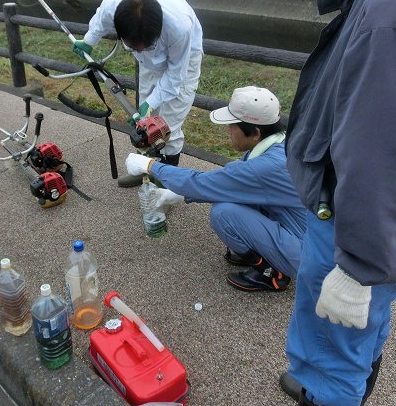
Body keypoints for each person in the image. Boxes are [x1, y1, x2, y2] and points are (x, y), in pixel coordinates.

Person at [280, 0, 396, 404]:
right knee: (366, 319)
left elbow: (385, 148)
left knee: (330, 352)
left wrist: (358, 266)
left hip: (358, 218)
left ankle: (327, 390)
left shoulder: (394, 3)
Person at [125, 86, 306, 292]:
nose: (228, 130)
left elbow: (204, 183)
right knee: (232, 200)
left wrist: (149, 166)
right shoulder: (279, 144)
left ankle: (272, 272)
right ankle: (263, 250)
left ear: (255, 132)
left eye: (232, 126)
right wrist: (179, 195)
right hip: (307, 233)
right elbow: (230, 180)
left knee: (224, 214)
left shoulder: (267, 166)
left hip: (306, 253)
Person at [73, 0, 203, 187]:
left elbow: (176, 75)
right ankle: (146, 169)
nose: (139, 51)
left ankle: (166, 185)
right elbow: (101, 19)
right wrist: (89, 40)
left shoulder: (180, 28)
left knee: (167, 125)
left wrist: (152, 101)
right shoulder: (113, 4)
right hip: (150, 59)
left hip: (183, 59)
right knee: (145, 121)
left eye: (145, 47)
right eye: (133, 48)